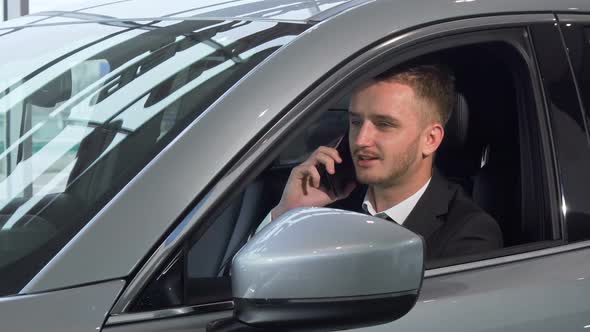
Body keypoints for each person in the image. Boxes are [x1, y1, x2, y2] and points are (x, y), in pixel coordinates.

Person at [259, 64, 503, 260]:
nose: (361, 140)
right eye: (355, 122)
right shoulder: (324, 207)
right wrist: (286, 214)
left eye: (384, 125)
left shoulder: (468, 233)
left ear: (430, 139)